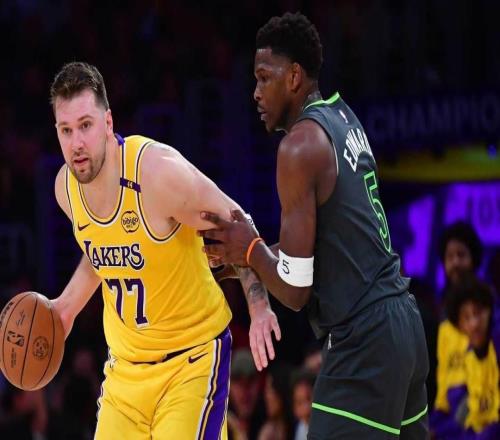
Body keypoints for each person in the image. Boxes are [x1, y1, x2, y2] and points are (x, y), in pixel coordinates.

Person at [199, 11, 429, 439]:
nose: (255, 92)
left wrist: (250, 249)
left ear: (294, 77)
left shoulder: (299, 147)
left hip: (365, 339)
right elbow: (322, 251)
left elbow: (295, 289)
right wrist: (244, 259)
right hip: (403, 324)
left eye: (264, 78)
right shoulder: (342, 117)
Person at [48, 61, 281, 439]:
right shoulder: (66, 189)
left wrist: (258, 307)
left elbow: (236, 220)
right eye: (66, 130)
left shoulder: (157, 174)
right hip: (125, 373)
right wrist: (66, 307)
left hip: (191, 363)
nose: (76, 143)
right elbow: (102, 251)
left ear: (107, 123)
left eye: (85, 126)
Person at [431, 274, 500, 439]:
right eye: (466, 318)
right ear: (459, 326)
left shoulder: (497, 346)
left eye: (478, 313)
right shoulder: (470, 359)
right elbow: (474, 419)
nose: (474, 324)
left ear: (489, 311)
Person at [434, 222, 483, 417]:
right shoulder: (443, 316)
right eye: (449, 257)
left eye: (461, 255)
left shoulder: (488, 308)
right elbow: (443, 376)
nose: (455, 263)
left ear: (474, 259)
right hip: (447, 415)